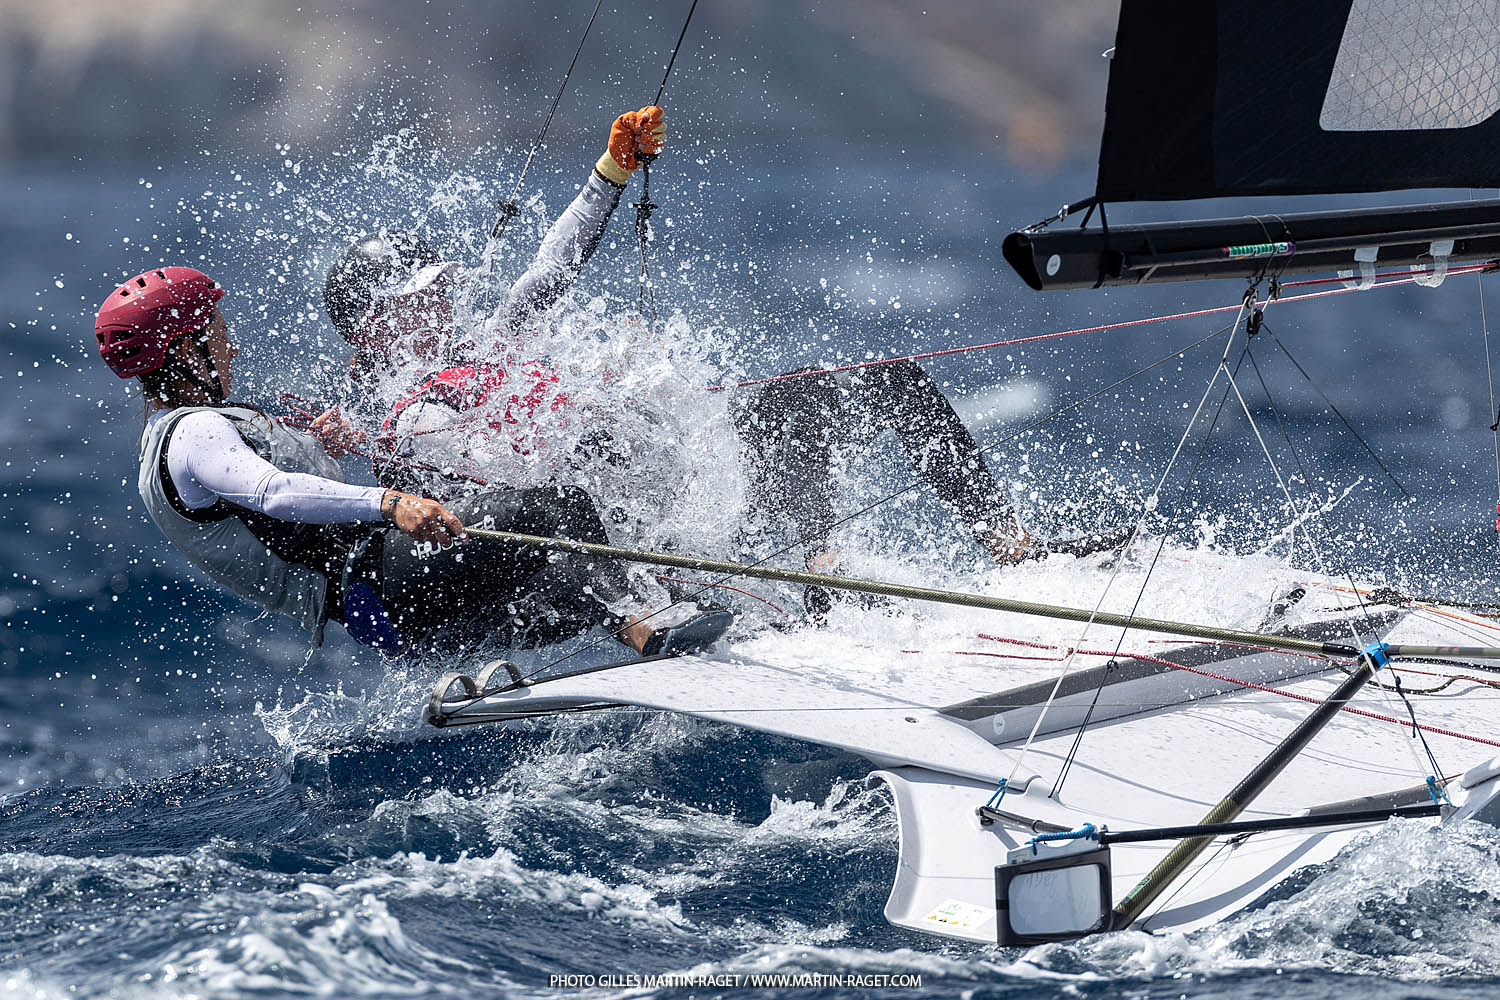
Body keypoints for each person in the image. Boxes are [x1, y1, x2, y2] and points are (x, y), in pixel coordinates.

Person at [316, 106, 1037, 580]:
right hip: (664, 548)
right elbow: (518, 505)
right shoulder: (411, 419)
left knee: (874, 381)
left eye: (439, 284)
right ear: (377, 327)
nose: (441, 298)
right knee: (604, 445)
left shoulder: (490, 348)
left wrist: (613, 170)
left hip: (711, 500)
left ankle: (1010, 552)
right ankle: (818, 580)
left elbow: (553, 265)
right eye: (419, 296)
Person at [95, 265, 733, 657]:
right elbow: (275, 495)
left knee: (546, 576)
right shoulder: (194, 432)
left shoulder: (176, 439)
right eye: (215, 332)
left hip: (386, 615)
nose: (229, 343)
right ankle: (669, 603)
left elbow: (282, 503)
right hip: (385, 587)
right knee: (558, 508)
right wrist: (390, 502)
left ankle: (649, 624)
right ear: (184, 350)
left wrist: (323, 442)